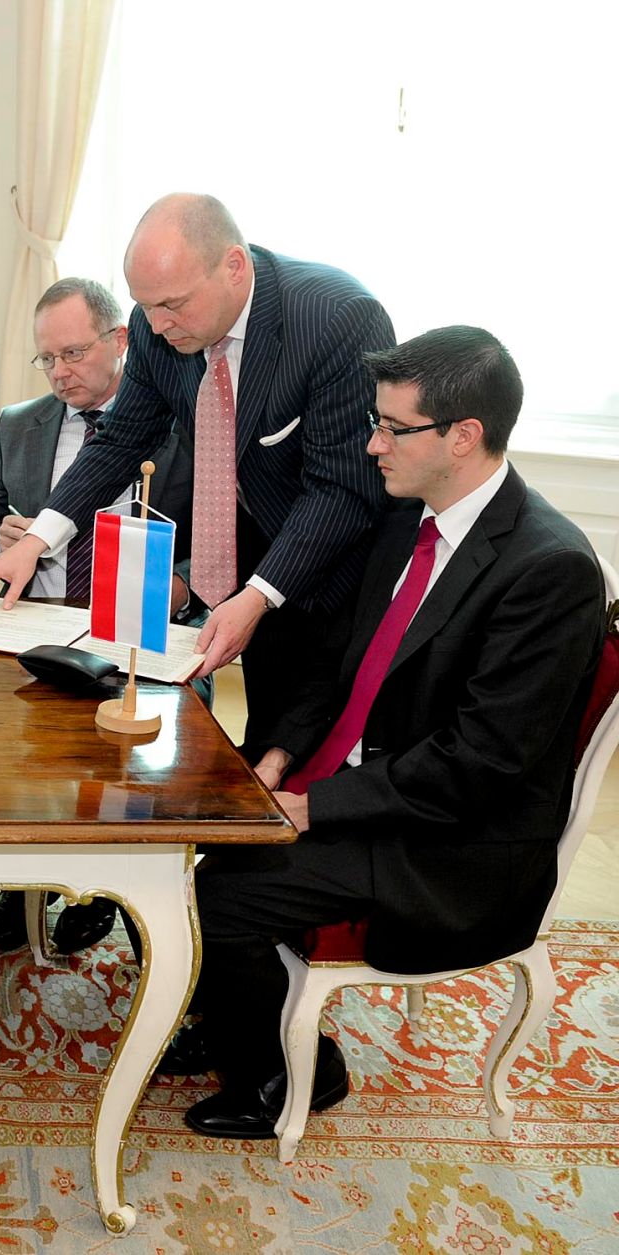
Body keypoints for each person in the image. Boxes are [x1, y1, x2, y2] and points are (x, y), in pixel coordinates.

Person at [176, 326, 606, 1139]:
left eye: (393, 428)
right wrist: (278, 755)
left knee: (223, 891)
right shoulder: (407, 518)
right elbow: (336, 663)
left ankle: (292, 1074)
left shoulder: (550, 570)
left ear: (464, 435)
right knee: (180, 824)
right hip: (371, 777)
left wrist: (315, 807)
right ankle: (233, 1013)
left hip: (450, 839)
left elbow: (479, 764)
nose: (372, 444)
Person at [0, 193, 394, 757]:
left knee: (332, 752)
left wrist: (258, 596)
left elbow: (341, 489)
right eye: (145, 306)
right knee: (266, 741)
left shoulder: (336, 318)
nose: (157, 325)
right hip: (255, 563)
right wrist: (37, 541)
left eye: (172, 305)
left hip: (344, 575)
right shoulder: (155, 325)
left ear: (234, 266)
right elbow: (121, 440)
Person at [0, 276, 195, 956]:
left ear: (120, 340)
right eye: (47, 358)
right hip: (36, 625)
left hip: (145, 638)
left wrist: (180, 588)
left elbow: (220, 540)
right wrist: (2, 536)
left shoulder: (183, 427)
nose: (59, 372)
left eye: (73, 353)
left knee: (135, 777)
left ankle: (107, 890)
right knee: (23, 765)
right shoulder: (18, 424)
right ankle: (25, 883)